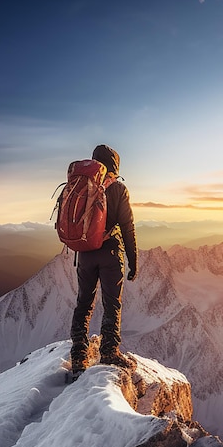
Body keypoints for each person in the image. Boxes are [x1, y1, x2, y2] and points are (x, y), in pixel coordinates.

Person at [70, 144, 137, 377]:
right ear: (115, 166)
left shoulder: (82, 185)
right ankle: (109, 351)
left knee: (84, 303)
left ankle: (78, 354)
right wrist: (133, 260)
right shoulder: (118, 189)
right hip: (110, 253)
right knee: (112, 303)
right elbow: (127, 226)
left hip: (85, 253)